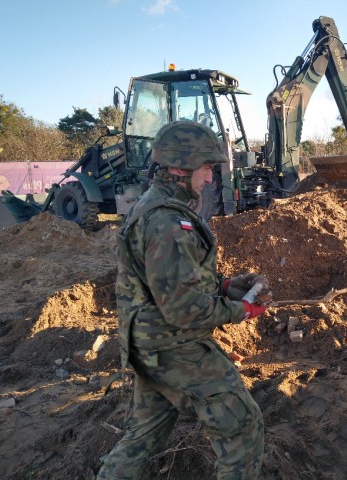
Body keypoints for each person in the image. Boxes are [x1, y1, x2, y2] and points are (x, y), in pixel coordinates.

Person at [97, 121, 269, 480]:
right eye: (207, 169)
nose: (209, 179)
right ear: (180, 166)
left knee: (144, 437)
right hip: (173, 346)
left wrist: (224, 286)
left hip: (149, 345)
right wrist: (243, 309)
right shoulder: (168, 223)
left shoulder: (160, 207)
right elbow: (182, 309)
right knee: (243, 429)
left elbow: (169, 279)